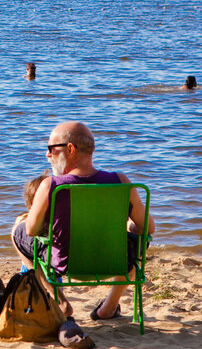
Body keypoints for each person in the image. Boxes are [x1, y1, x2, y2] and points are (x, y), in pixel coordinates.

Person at [10, 121, 155, 319]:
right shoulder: (120, 181)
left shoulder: (51, 185)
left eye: (51, 149)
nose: (47, 155)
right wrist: (130, 226)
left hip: (66, 264)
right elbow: (148, 227)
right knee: (137, 239)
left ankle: (59, 300)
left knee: (18, 231)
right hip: (115, 262)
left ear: (70, 149)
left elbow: (31, 231)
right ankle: (109, 307)